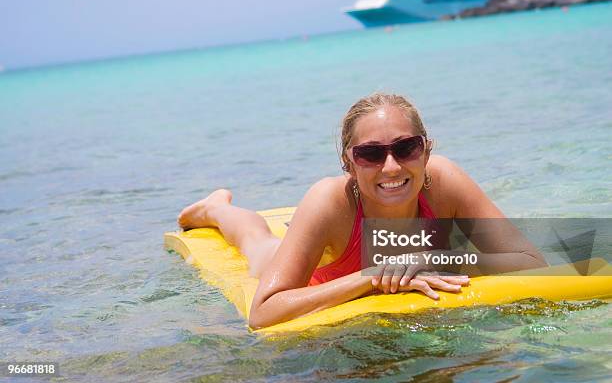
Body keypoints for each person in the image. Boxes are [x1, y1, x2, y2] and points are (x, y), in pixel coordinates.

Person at [177, 93, 546, 329]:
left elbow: (533, 260)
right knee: (258, 245)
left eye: (406, 148)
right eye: (370, 154)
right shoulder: (328, 201)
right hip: (325, 277)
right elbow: (263, 312)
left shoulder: (444, 180)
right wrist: (372, 276)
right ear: (348, 164)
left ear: (426, 150)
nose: (391, 167)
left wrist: (441, 259)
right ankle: (215, 208)